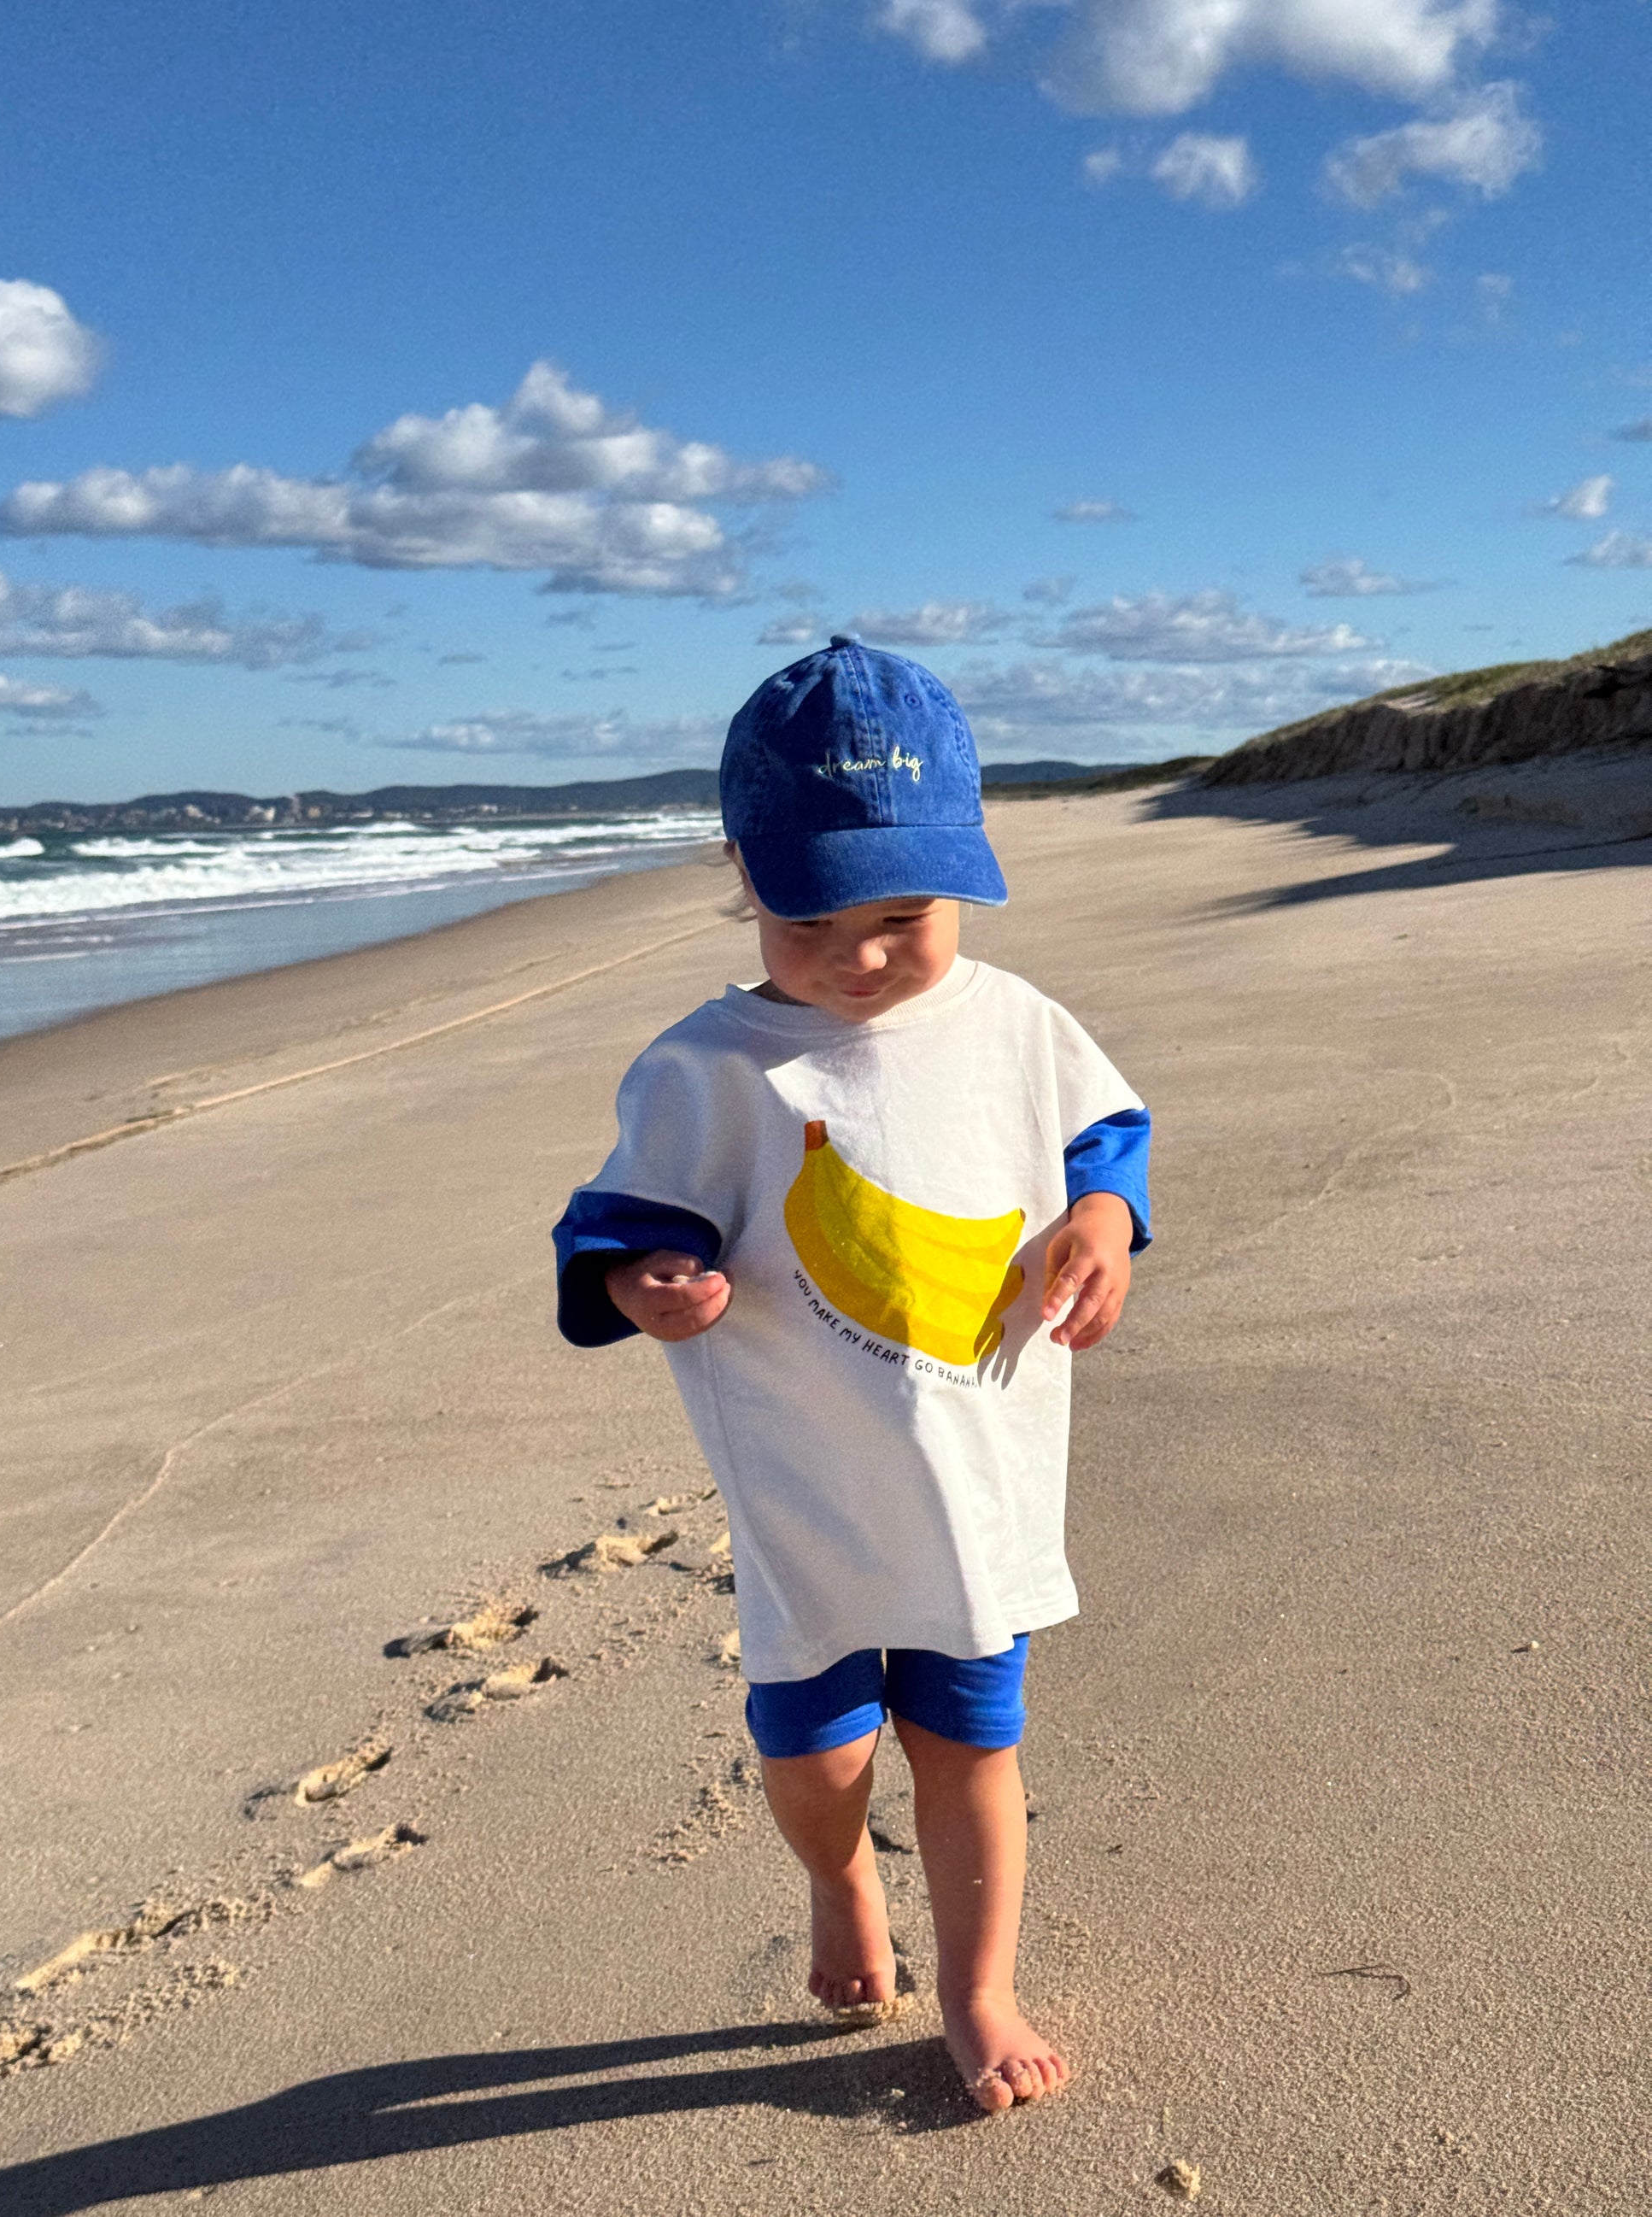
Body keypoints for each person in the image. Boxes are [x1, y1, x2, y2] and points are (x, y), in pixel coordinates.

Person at [553, 636, 1151, 2113]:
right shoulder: (707, 1066)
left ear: (962, 879)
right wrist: (646, 1285)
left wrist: (1102, 1219)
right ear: (743, 882)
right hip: (805, 1497)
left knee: (969, 1745)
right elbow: (620, 1223)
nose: (862, 954)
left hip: (979, 1491)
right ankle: (838, 1886)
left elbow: (1106, 1139)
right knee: (815, 1763)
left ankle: (979, 1985)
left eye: (902, 913)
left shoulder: (1014, 1023)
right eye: (809, 916)